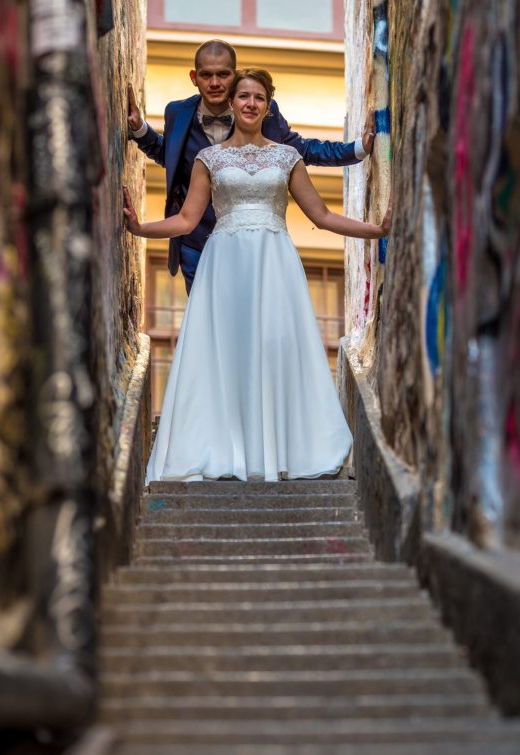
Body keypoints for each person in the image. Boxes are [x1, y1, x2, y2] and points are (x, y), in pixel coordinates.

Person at [123, 69, 390, 485]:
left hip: (274, 262)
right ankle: (225, 449)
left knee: (274, 343)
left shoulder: (287, 157)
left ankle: (283, 449)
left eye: (259, 98)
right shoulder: (208, 160)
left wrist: (375, 230)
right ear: (231, 104)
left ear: (268, 106)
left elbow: (321, 216)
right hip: (223, 263)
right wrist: (139, 229)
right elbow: (187, 219)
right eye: (243, 96)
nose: (250, 103)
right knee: (225, 349)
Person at [127, 39, 376, 292]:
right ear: (194, 77)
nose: (215, 83)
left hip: (257, 247)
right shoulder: (177, 112)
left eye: (223, 74)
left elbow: (302, 151)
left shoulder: (260, 110)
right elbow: (169, 155)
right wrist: (139, 130)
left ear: (234, 76)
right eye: (206, 75)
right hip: (195, 244)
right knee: (209, 325)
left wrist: (358, 148)